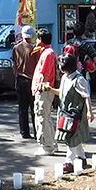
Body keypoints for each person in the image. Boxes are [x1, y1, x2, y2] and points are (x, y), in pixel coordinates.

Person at [46, 53, 94, 174]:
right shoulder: (65, 78)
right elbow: (61, 93)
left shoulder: (79, 80)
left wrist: (89, 112)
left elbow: (86, 96)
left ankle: (69, 162)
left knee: (70, 136)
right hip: (64, 112)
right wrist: (50, 90)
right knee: (74, 137)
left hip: (75, 114)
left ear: (65, 67)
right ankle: (82, 159)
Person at [31, 27, 57, 156]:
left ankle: (46, 146)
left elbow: (45, 74)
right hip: (45, 90)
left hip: (44, 90)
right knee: (46, 117)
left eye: (37, 38)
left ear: (40, 39)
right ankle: (51, 142)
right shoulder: (47, 52)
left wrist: (41, 88)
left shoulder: (47, 54)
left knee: (42, 117)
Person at [10, 25, 39, 139]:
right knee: (34, 108)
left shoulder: (16, 48)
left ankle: (24, 132)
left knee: (22, 108)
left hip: (20, 78)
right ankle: (37, 132)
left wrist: (16, 75)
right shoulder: (35, 48)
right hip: (32, 80)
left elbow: (14, 64)